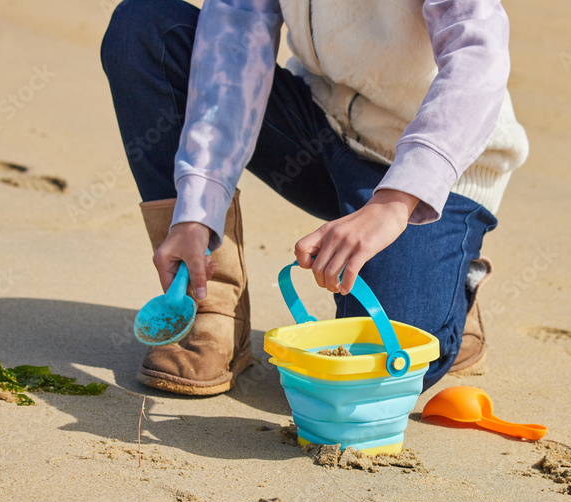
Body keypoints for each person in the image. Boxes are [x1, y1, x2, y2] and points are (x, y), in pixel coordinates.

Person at [101, 0, 528, 395]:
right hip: (321, 126)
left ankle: (456, 285)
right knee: (144, 29)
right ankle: (209, 302)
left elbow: (478, 54)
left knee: (378, 366)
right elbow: (233, 48)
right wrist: (196, 210)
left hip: (434, 170)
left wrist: (395, 201)